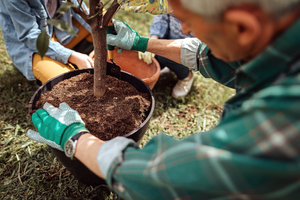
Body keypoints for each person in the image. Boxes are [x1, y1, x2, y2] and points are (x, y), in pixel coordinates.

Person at [28, 0, 300, 199]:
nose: (182, 27)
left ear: (242, 26)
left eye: (188, 20)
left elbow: (170, 179)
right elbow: (216, 55)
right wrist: (141, 42)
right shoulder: (281, 41)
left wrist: (77, 139)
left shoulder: (287, 115)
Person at [0, 0, 94, 85]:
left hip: (60, 31)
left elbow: (79, 8)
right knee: (68, 83)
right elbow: (30, 36)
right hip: (33, 46)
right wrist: (71, 56)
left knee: (103, 20)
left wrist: (101, 41)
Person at [139, 14, 194, 98]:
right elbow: (162, 16)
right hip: (168, 37)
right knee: (153, 58)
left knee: (167, 57)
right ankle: (166, 65)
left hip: (188, 48)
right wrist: (154, 38)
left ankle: (186, 76)